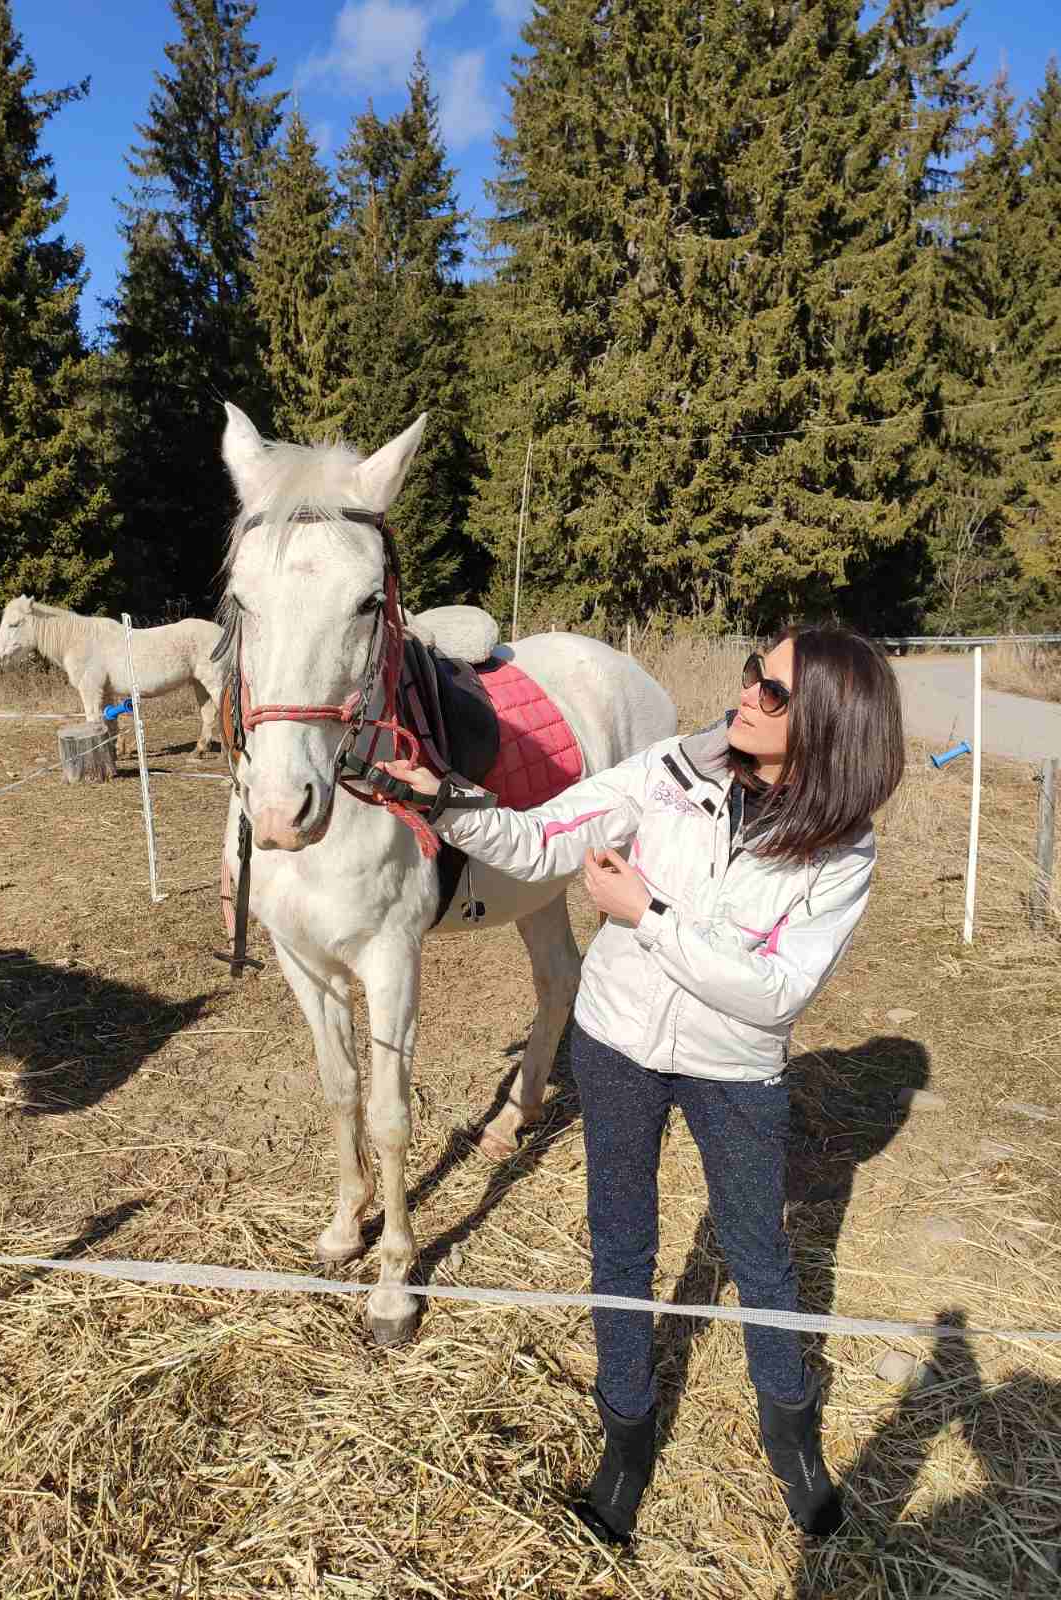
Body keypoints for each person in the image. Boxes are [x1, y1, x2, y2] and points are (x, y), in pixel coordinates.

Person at [379, 624, 905, 1547]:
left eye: (774, 692)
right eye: (753, 675)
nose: (747, 694)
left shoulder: (840, 852)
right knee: (621, 1244)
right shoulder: (669, 770)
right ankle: (624, 1438)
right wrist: (451, 803)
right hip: (616, 1044)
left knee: (759, 1256)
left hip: (735, 1069)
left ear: (830, 722)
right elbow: (544, 839)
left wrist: (646, 914)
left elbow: (774, 991)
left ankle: (789, 1437)